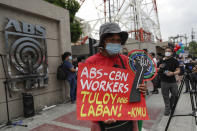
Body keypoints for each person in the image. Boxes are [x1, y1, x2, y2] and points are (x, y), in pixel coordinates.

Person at [85, 22, 147, 131]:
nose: (116, 43)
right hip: (103, 121)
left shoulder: (126, 61)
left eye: (118, 41)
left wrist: (141, 90)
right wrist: (100, 117)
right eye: (112, 40)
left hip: (127, 119)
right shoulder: (91, 63)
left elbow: (134, 89)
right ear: (103, 41)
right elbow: (88, 96)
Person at [157, 47, 180, 116]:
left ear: (172, 52)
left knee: (175, 94)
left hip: (173, 81)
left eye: (169, 51)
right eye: (166, 51)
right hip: (164, 81)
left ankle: (170, 105)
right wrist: (159, 67)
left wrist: (172, 73)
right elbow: (157, 69)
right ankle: (167, 109)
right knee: (165, 96)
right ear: (164, 52)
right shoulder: (161, 60)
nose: (167, 52)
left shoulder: (175, 61)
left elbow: (178, 70)